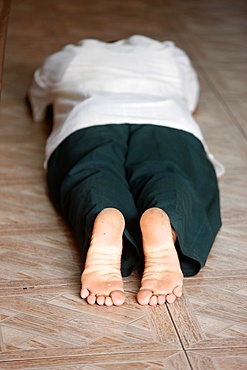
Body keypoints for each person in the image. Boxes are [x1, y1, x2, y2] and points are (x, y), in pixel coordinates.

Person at [28, 35, 224, 307]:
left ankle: (104, 212)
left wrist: (39, 111)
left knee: (93, 171)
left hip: (91, 117)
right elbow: (189, 95)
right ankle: (166, 220)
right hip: (167, 120)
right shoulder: (167, 53)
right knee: (169, 170)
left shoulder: (74, 54)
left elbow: (39, 89)